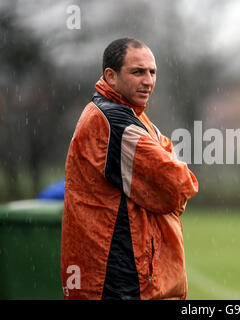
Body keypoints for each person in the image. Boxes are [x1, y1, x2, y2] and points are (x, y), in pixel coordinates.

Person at [60, 38, 198, 300]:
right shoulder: (115, 121)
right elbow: (179, 186)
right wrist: (169, 184)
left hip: (111, 276)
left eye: (152, 72)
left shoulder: (125, 114)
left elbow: (170, 172)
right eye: (137, 72)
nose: (148, 80)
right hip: (116, 279)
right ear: (110, 76)